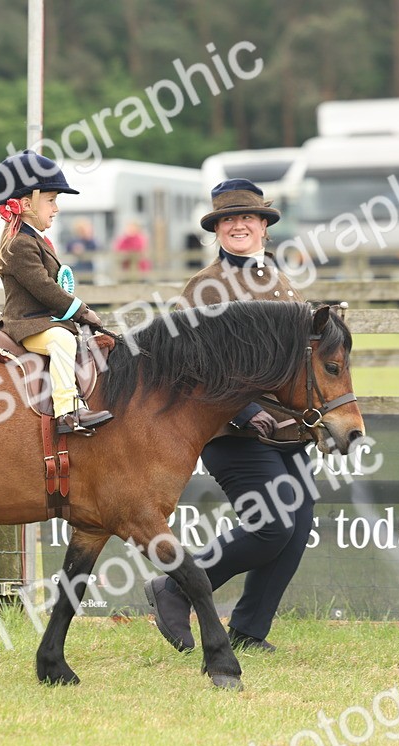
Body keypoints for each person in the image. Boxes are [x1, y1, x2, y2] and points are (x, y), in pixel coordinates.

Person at [145, 178, 312, 652]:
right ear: (217, 230)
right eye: (227, 220)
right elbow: (184, 362)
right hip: (231, 429)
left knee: (296, 529)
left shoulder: (281, 283)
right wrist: (246, 407)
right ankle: (174, 588)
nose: (238, 225)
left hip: (289, 429)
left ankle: (248, 630)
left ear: (264, 226)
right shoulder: (206, 287)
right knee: (271, 525)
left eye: (247, 217)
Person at [0, 150, 113, 436]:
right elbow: (45, 288)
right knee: (61, 341)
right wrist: (82, 311)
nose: (56, 208)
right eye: (51, 200)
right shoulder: (19, 245)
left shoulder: (37, 240)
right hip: (28, 322)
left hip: (45, 319)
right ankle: (67, 412)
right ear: (26, 203)